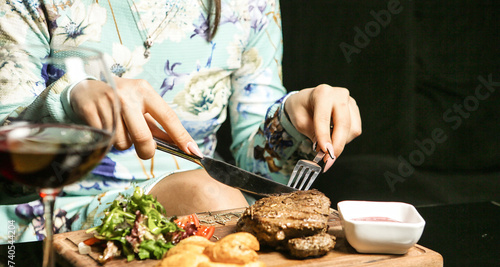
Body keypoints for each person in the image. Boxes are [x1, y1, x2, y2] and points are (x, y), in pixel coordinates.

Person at [0, 0, 361, 243]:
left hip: (216, 208)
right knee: (208, 196)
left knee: (214, 199)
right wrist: (69, 100)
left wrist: (292, 120)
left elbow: (261, 175)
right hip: (44, 219)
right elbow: (7, 164)